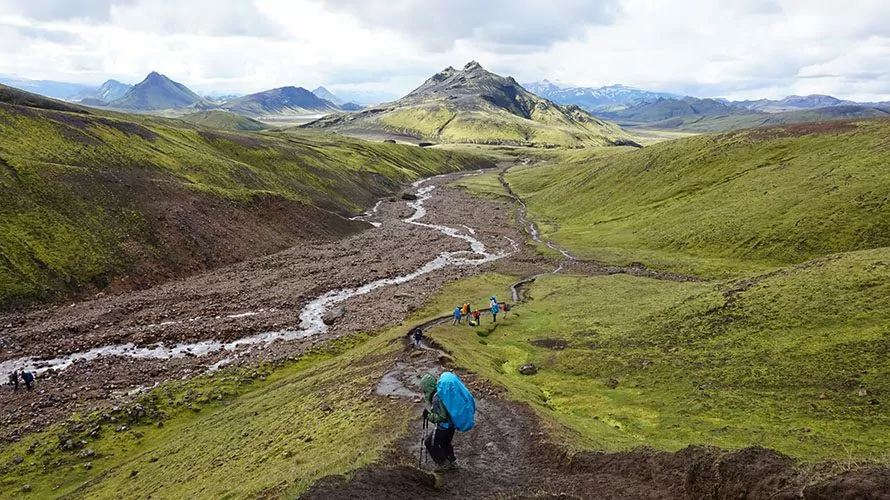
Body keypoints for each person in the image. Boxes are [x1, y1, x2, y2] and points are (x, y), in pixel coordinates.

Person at [420, 373, 456, 469]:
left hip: (443, 427)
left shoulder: (436, 399)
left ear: (428, 388)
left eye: (424, 390)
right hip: (451, 426)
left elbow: (441, 417)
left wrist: (428, 416)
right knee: (445, 443)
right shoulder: (441, 393)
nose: (423, 392)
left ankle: (442, 463)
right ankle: (451, 461)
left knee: (429, 443)